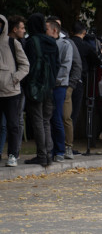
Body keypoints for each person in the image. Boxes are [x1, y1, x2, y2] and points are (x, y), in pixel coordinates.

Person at [24, 14, 60, 166]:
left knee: (38, 120)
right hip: (50, 87)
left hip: (35, 87)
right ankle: (48, 155)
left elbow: (28, 65)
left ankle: (41, 155)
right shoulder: (52, 42)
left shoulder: (31, 41)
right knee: (46, 121)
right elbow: (57, 65)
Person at [49, 17, 82, 160]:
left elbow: (76, 65)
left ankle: (67, 147)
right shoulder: (50, 41)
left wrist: (71, 85)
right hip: (55, 84)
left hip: (65, 84)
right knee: (54, 117)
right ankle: (56, 148)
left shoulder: (67, 43)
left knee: (65, 117)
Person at [0, 15, 29, 167]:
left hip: (11, 91)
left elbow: (25, 65)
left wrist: (14, 78)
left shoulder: (12, 43)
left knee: (12, 124)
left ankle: (13, 154)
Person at [70, 22, 101, 145]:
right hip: (78, 80)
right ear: (84, 33)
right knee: (73, 112)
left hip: (63, 82)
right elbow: (96, 62)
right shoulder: (85, 46)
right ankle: (68, 143)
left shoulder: (67, 43)